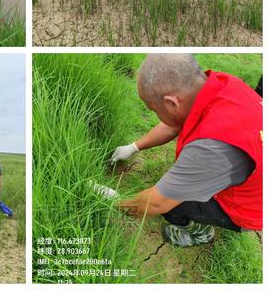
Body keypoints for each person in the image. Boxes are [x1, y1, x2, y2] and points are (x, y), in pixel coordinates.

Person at [108, 54, 262, 247]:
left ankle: (200, 234)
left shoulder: (211, 147)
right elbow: (174, 123)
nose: (156, 115)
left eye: (153, 109)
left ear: (172, 103)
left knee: (174, 205)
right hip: (253, 172)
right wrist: (134, 147)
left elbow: (157, 203)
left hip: (254, 208)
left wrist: (115, 202)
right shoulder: (222, 85)